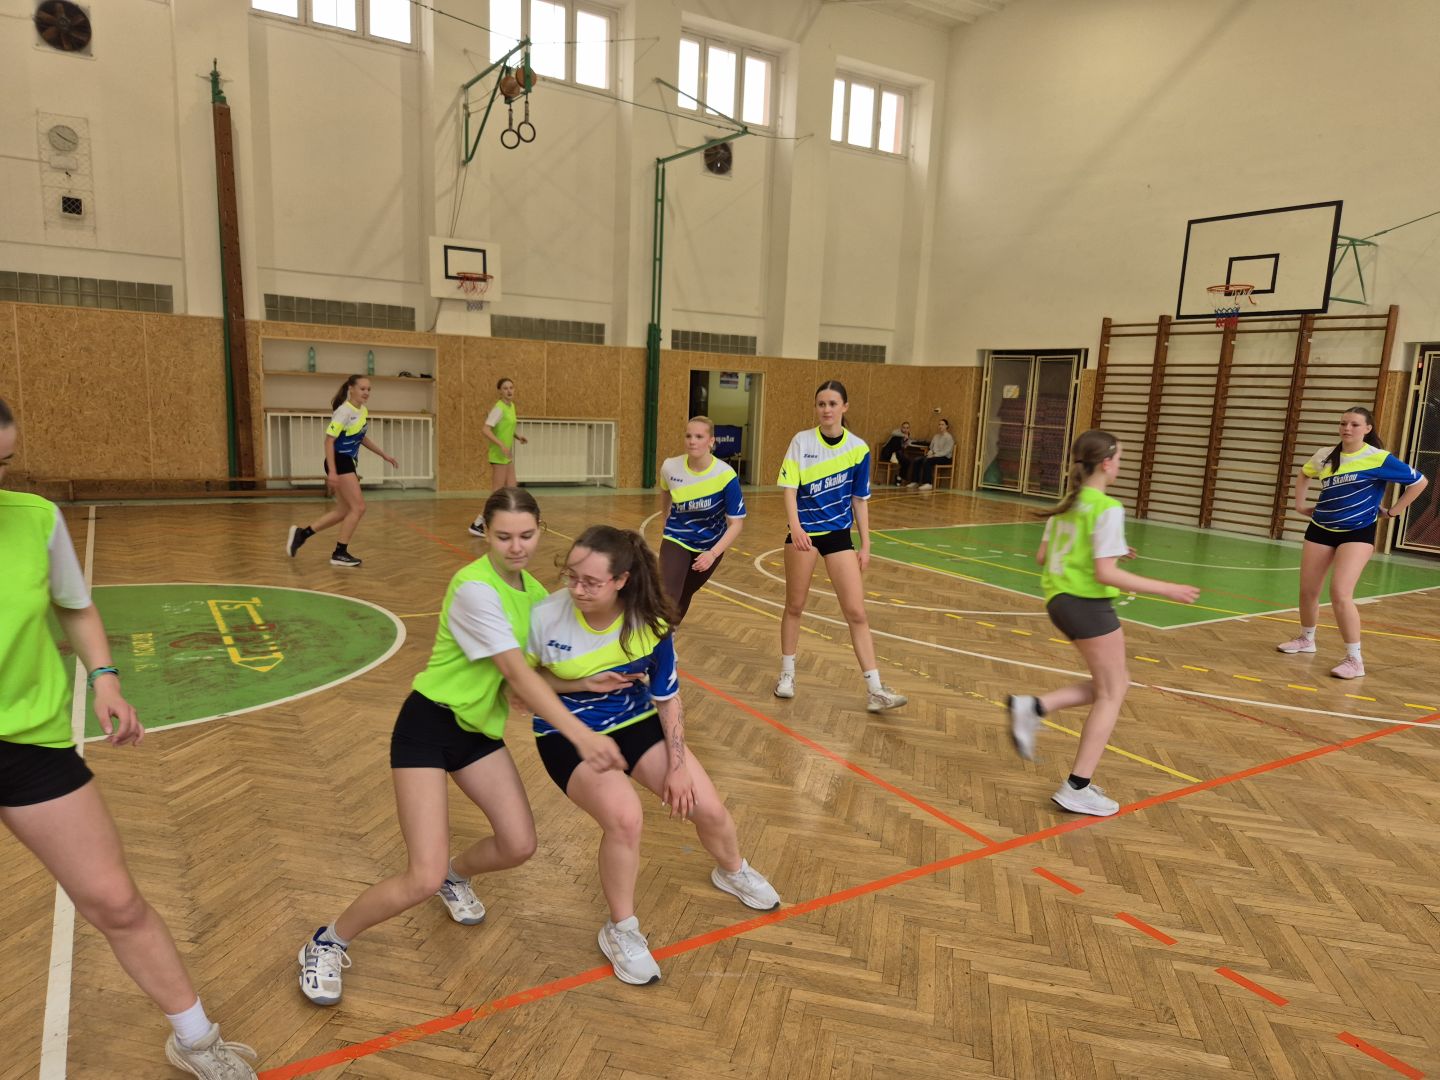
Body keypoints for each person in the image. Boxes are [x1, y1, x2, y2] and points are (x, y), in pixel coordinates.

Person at [0, 397, 257, 1078]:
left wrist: (106, 680)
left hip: (28, 741)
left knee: (116, 900)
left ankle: (196, 1040)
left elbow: (76, 607)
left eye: (2, 463)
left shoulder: (35, 519)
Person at [296, 487, 625, 1006]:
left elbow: (530, 676)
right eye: (503, 536)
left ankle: (457, 876)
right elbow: (514, 670)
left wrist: (583, 683)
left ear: (540, 531)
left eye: (526, 535)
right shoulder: (474, 588)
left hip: (477, 733)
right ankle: (328, 941)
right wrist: (581, 735)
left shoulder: (535, 594)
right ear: (486, 532)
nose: (516, 547)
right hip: (428, 725)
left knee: (519, 845)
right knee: (419, 877)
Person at [527, 526, 780, 985]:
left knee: (709, 807)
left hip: (633, 718)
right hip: (566, 730)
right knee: (626, 818)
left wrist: (678, 768)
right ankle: (620, 929)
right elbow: (518, 688)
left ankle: (732, 871)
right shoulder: (545, 617)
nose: (577, 589)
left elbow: (668, 699)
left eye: (591, 582)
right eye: (572, 577)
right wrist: (579, 683)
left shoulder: (649, 621)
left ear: (621, 580)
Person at [1006, 429, 1199, 817]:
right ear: (1107, 463)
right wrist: (1167, 588)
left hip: (1059, 601)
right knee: (1112, 693)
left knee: (1114, 683)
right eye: (1120, 459)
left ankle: (1036, 707)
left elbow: (1044, 556)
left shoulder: (1070, 503)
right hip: (1087, 604)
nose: (1120, 465)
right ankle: (1077, 786)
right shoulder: (1106, 507)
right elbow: (1105, 574)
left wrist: (1109, 549)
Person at [774, 380, 908, 713]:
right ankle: (787, 675)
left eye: (833, 403)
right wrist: (796, 527)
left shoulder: (858, 449)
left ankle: (875, 690)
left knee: (856, 612)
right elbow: (789, 489)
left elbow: (859, 499)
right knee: (795, 606)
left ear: (844, 407)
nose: (827, 409)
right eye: (821, 404)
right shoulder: (801, 441)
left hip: (838, 535)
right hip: (805, 534)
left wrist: (866, 543)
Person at [1276, 406, 1427, 678]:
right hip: (1321, 528)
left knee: (1340, 593)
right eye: (1343, 423)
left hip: (1358, 532)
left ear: (1367, 429)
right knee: (1308, 590)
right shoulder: (1325, 455)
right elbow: (1304, 474)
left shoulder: (1378, 458)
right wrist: (1299, 505)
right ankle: (1306, 639)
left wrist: (1394, 511)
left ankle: (1354, 660)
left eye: (1354, 424)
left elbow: (1419, 482)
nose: (1347, 428)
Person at [286, 374, 397, 568]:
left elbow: (361, 437)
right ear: (351, 389)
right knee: (359, 508)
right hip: (339, 461)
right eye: (362, 388)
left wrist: (383, 455)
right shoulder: (343, 412)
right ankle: (340, 552)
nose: (366, 392)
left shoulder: (362, 410)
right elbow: (329, 441)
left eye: (369, 389)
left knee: (343, 510)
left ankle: (302, 535)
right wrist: (332, 472)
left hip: (347, 462)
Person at [657, 416, 746, 626]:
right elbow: (665, 490)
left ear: (711, 441)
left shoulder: (725, 475)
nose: (692, 441)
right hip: (677, 537)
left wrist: (712, 554)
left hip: (710, 545)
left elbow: (736, 524)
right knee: (668, 593)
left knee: (685, 592)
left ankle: (670, 635)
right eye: (688, 436)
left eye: (699, 436)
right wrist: (665, 516)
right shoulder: (670, 467)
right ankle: (657, 640)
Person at [468, 377, 528, 538]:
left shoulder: (511, 406)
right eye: (505, 388)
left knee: (512, 489)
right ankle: (478, 523)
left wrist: (517, 437)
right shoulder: (498, 408)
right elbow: (486, 429)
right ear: (500, 391)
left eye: (511, 387)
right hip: (498, 454)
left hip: (506, 454)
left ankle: (510, 521)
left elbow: (506, 427)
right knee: (497, 492)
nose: (509, 391)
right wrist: (501, 444)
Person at [905, 417, 955, 490]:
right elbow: (931, 448)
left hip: (945, 458)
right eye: (939, 424)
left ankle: (928, 483)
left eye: (942, 424)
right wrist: (930, 453)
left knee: (927, 461)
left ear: (946, 426)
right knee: (917, 460)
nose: (940, 426)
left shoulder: (949, 437)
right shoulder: (936, 436)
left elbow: (946, 451)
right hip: (934, 456)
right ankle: (915, 481)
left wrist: (934, 455)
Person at [877, 421, 914, 485]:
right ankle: (893, 455)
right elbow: (893, 433)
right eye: (904, 427)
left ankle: (899, 477)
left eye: (907, 428)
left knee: (907, 461)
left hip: (897, 454)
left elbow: (903, 447)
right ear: (901, 428)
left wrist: (906, 442)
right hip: (887, 454)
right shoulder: (897, 432)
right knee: (896, 439)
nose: (905, 429)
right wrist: (904, 436)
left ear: (909, 429)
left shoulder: (908, 436)